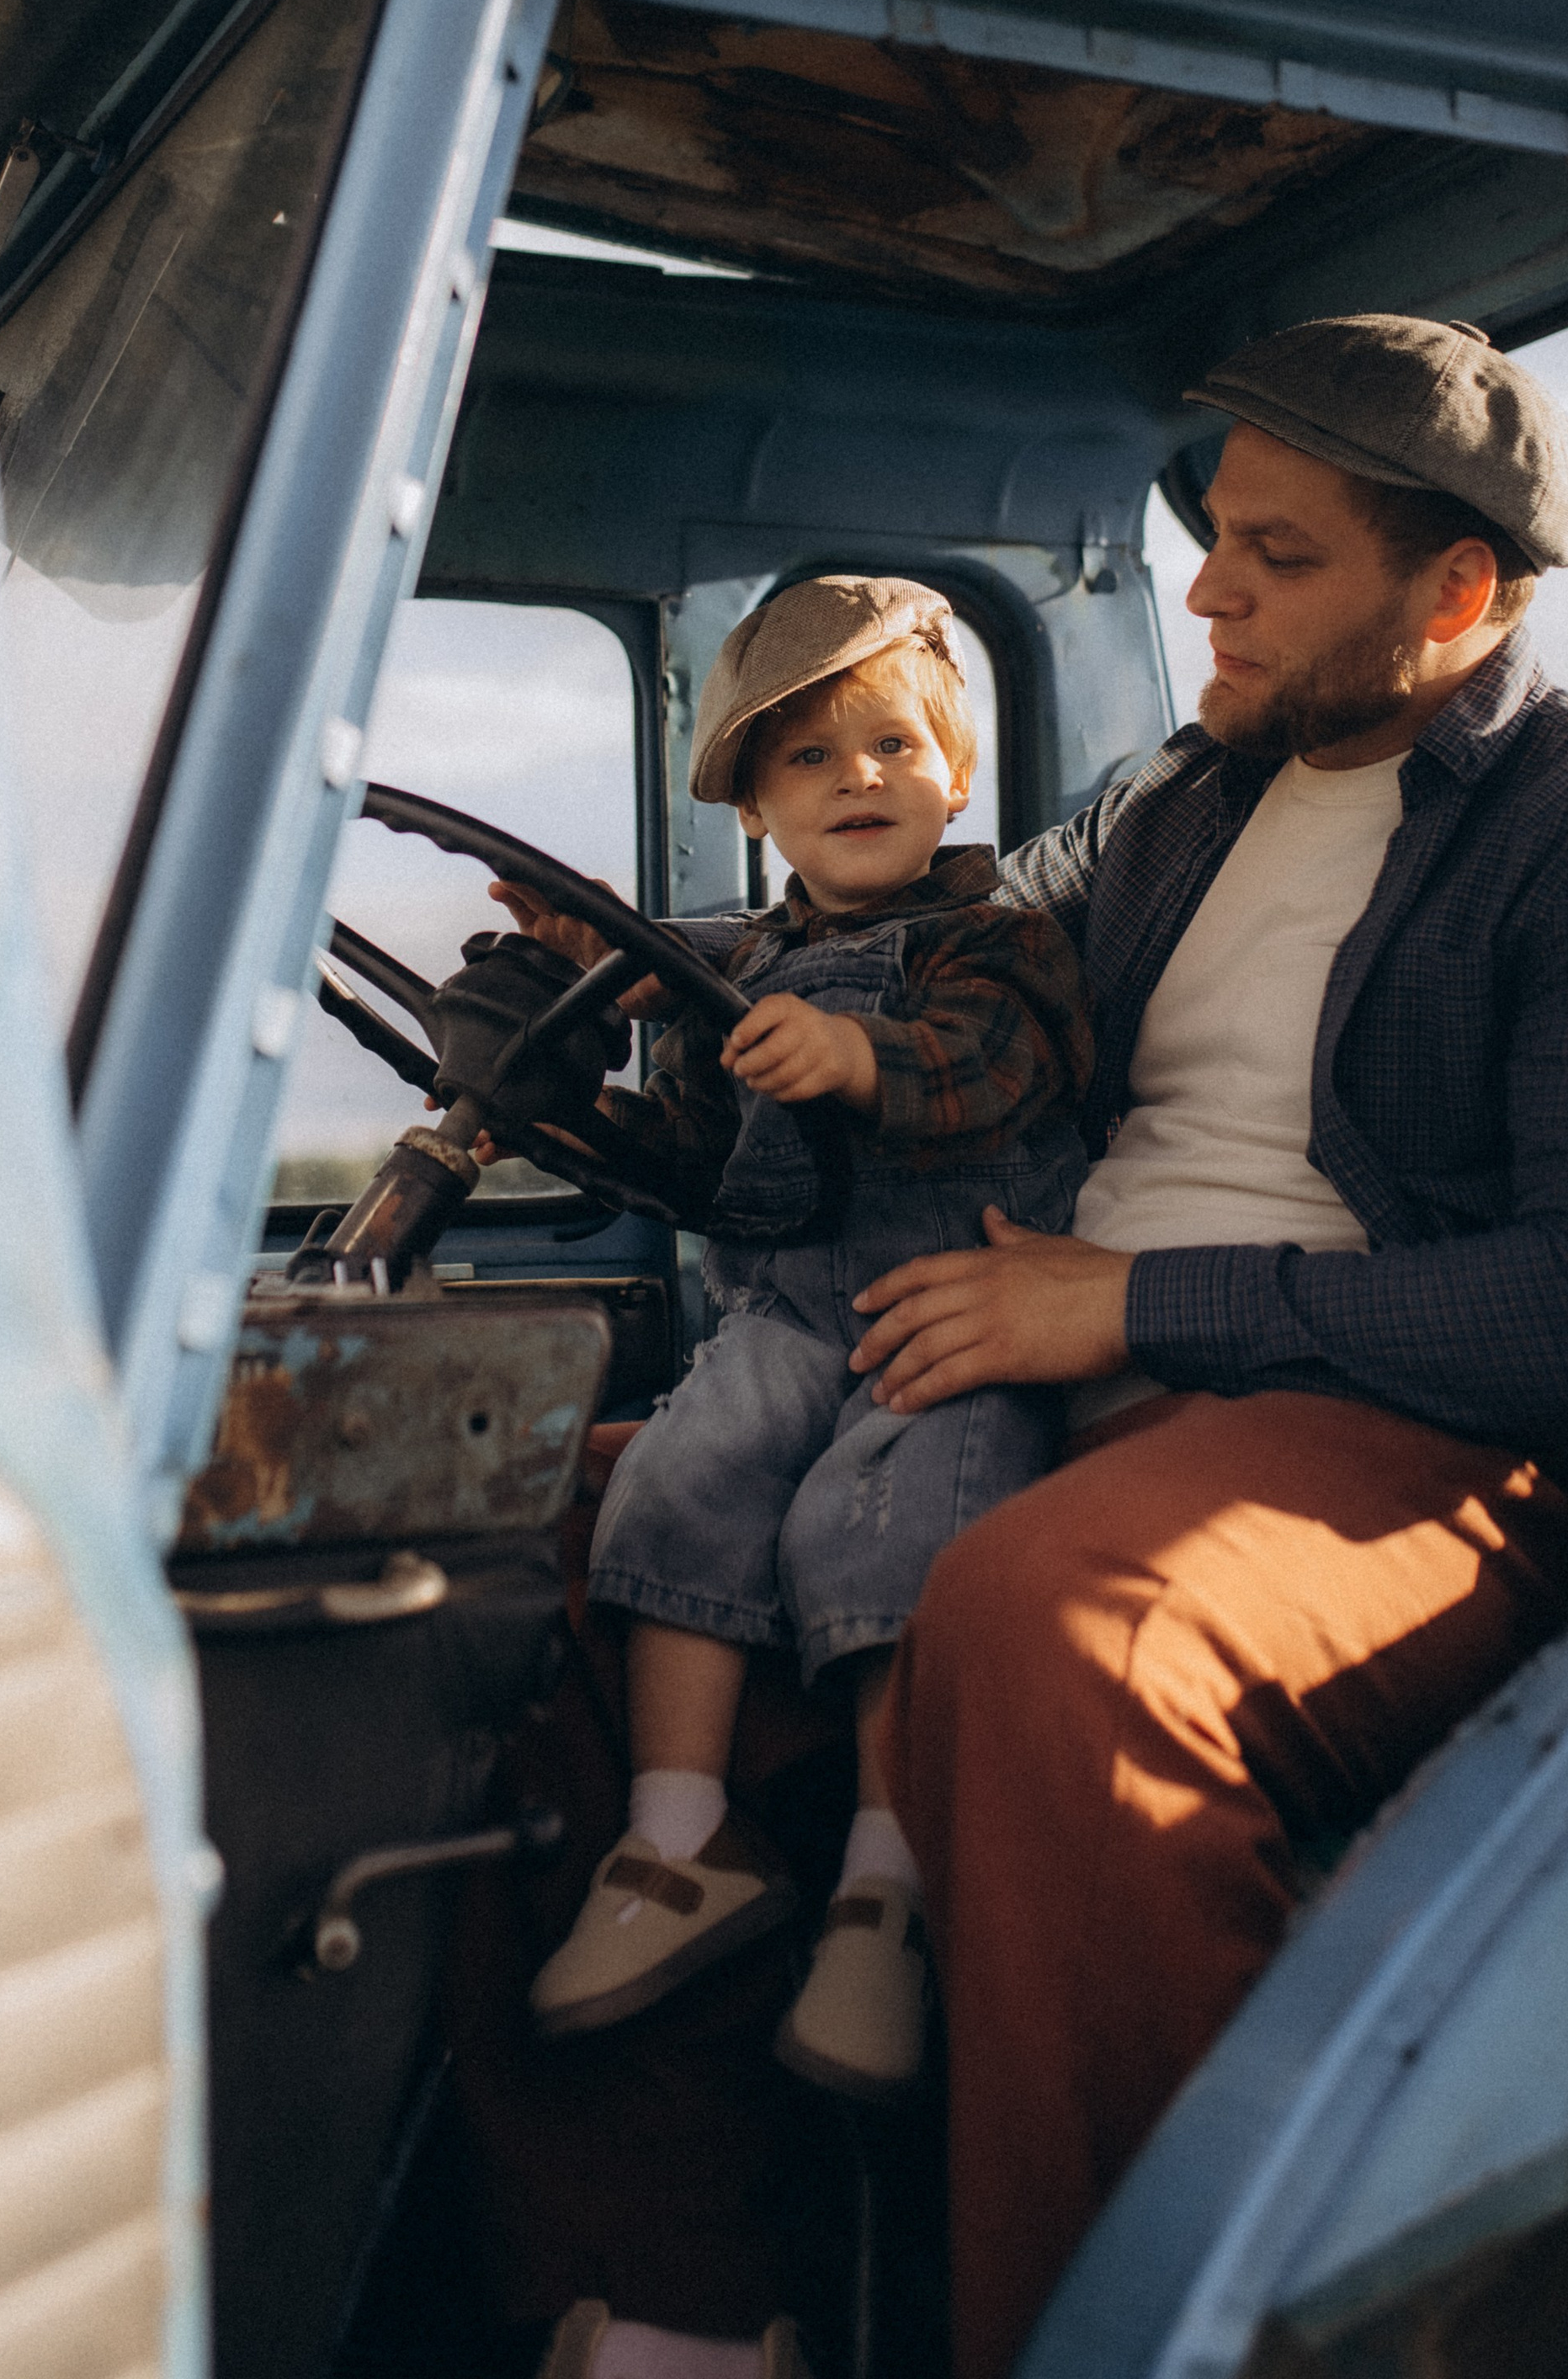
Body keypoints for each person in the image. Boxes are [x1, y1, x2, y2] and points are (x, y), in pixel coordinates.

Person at [841, 315, 1568, 2379]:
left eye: (1275, 555)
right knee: (592, 1550)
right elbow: (949, 960)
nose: (1207, 594)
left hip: (1406, 1428)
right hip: (1070, 1363)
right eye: (1213, 541)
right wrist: (719, 982)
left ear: (1453, 591)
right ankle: (695, 2305)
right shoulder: (1179, 801)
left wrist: (1129, 1305)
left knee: (1069, 1631)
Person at [513, 574, 1092, 2102]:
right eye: (813, 759)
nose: (860, 779)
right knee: (678, 1476)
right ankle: (678, 1841)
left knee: (880, 1519)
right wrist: (577, 1117)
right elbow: (704, 1164)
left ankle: (885, 1890)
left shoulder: (998, 942)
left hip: (950, 1310)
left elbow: (987, 1069)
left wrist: (853, 1055)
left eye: (896, 744)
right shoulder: (738, 975)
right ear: (756, 809)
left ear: (956, 774)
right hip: (780, 1312)